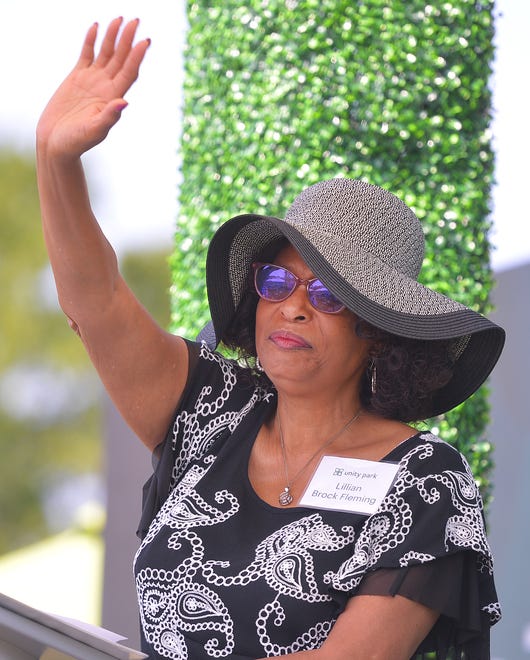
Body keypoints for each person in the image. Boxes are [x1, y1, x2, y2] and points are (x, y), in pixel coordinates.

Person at [36, 17, 506, 660]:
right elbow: (97, 302)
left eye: (327, 295)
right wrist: (58, 160)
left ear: (379, 331)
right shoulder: (212, 410)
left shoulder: (425, 480)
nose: (293, 309)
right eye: (280, 280)